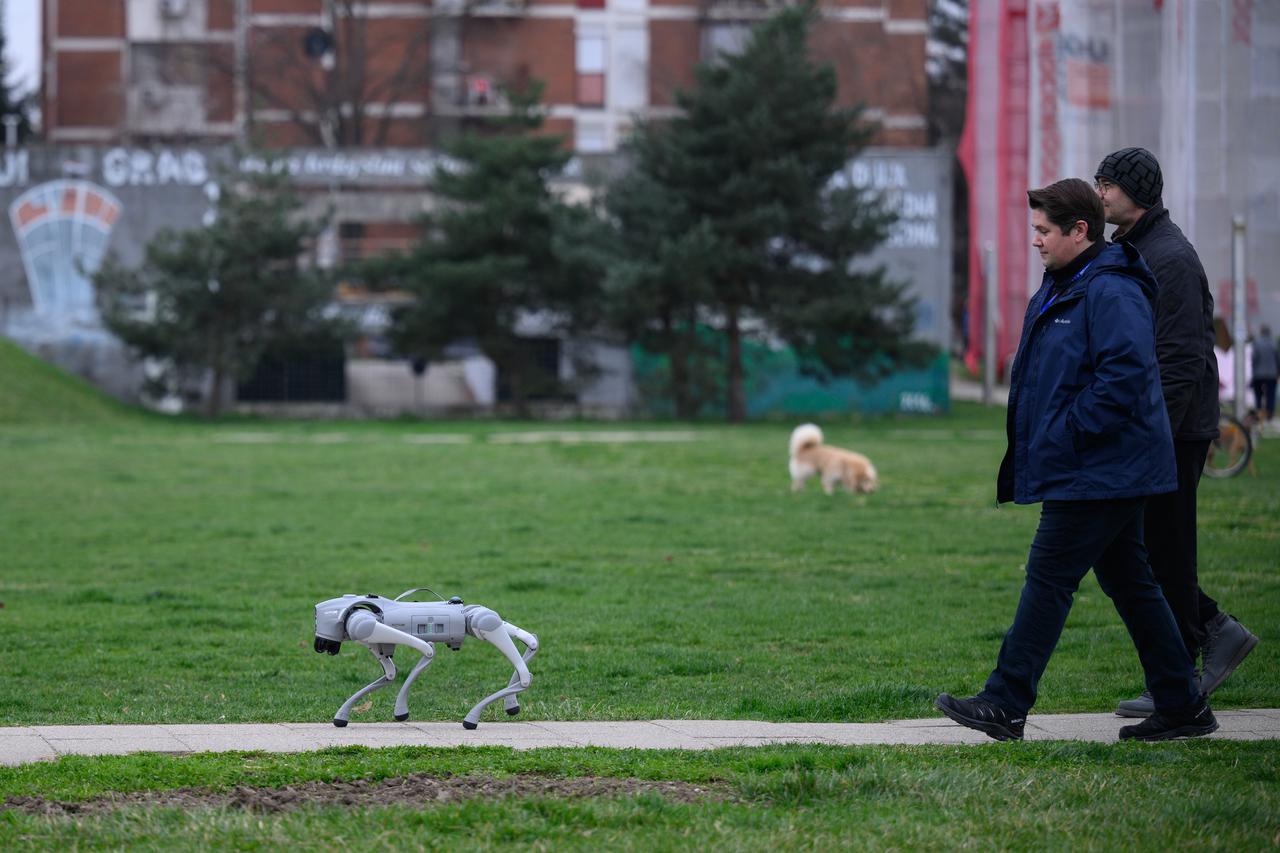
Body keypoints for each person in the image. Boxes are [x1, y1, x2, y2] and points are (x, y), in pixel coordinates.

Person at [936, 178, 1216, 742]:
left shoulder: (1110, 290)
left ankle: (1006, 700)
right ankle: (1183, 706)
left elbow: (1125, 378)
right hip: (1096, 464)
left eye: (1043, 231)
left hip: (1102, 466)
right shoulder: (1069, 283)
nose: (1035, 241)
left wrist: (1065, 432)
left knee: (1048, 576)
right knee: (1133, 582)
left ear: (1079, 230)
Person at [1095, 148, 1258, 717]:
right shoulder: (1133, 248)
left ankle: (1180, 678)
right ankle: (1209, 637)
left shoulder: (1171, 258)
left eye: (1108, 185)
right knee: (1150, 550)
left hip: (1172, 432)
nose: (1101, 194)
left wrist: (1151, 435)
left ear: (1136, 192)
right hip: (1156, 429)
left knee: (1162, 551)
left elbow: (1182, 358)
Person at [1252, 324, 1278, 424]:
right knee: (1270, 395)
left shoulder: (1257, 343)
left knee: (1258, 395)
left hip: (1258, 374)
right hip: (1271, 374)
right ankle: (1269, 414)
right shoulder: (1273, 343)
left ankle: (1259, 412)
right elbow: (1277, 359)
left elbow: (1254, 359)